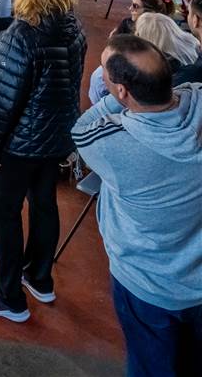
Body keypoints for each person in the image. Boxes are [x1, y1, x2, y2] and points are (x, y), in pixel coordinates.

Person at [72, 35, 202, 376]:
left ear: (122, 92)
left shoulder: (114, 147)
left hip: (147, 283)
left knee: (150, 368)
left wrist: (117, 99)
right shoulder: (198, 98)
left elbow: (82, 129)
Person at [0, 0, 86, 322]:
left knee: (5, 213)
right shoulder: (74, 29)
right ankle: (39, 278)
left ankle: (9, 298)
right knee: (44, 204)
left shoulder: (19, 37)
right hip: (57, 136)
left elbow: (3, 102)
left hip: (20, 145)